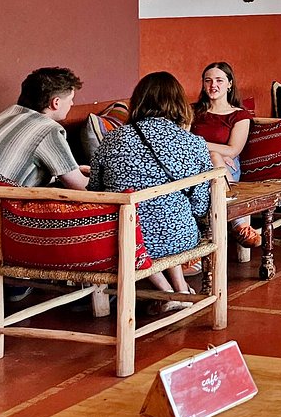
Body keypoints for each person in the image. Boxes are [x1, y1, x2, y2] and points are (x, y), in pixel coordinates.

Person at [88, 72, 215, 299]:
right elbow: (200, 206)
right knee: (167, 214)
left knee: (144, 223)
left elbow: (96, 190)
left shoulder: (112, 138)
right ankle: (175, 292)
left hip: (121, 237)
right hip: (177, 237)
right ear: (179, 103)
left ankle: (171, 292)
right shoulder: (193, 143)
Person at [0, 67, 89, 189]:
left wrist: (70, 169)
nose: (72, 103)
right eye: (70, 99)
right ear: (56, 103)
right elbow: (81, 187)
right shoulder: (48, 130)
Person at [191, 62, 261, 249]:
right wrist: (214, 151)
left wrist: (199, 145)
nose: (213, 85)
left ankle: (227, 226)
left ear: (230, 84)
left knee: (216, 158)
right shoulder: (192, 111)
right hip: (195, 167)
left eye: (219, 80)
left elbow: (233, 150)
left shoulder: (240, 116)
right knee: (215, 156)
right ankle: (240, 222)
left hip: (227, 168)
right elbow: (180, 142)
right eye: (208, 81)